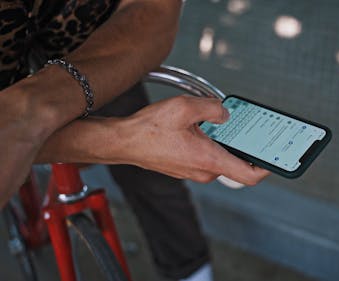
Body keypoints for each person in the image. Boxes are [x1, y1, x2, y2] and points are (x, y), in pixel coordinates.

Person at [0, 1, 270, 280]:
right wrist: (122, 139)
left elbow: (155, 9)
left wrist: (30, 113)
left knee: (154, 177)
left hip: (96, 48)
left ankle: (190, 269)